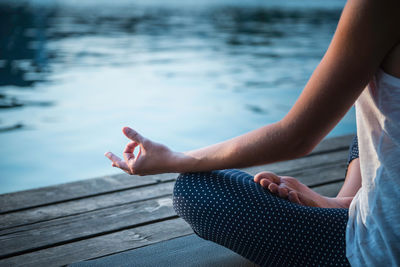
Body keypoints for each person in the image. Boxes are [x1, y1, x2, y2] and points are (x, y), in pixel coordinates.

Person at [105, 0, 400, 266]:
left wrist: (173, 159)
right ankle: (343, 205)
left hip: (376, 253)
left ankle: (342, 213)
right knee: (380, 114)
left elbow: (295, 136)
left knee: (194, 190)